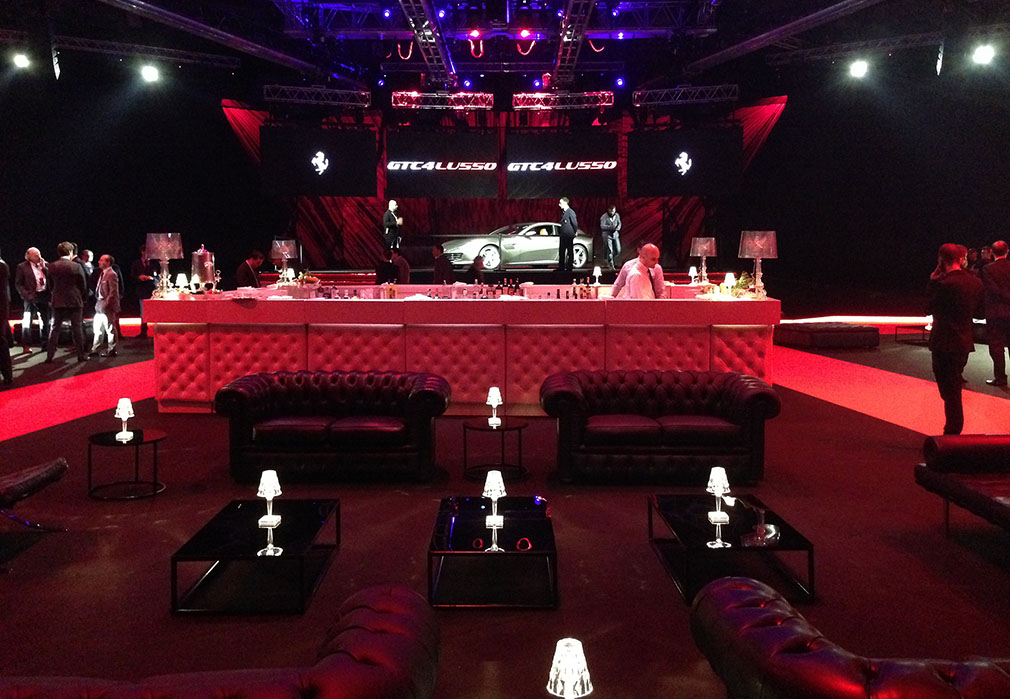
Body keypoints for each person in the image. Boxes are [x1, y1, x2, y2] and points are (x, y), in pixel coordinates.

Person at [928, 243, 983, 435]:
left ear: (941, 260)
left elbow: (928, 308)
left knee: (949, 391)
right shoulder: (975, 282)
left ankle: (952, 432)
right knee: (953, 387)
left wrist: (932, 282)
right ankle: (952, 430)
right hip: (963, 341)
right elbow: (979, 311)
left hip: (943, 341)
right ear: (962, 259)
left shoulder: (943, 284)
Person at [45, 241, 88, 363]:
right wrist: (78, 295)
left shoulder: (51, 266)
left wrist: (56, 293)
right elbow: (83, 285)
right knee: (77, 328)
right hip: (74, 300)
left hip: (58, 300)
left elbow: (50, 286)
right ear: (70, 252)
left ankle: (49, 356)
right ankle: (81, 355)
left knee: (54, 329)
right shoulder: (76, 266)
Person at [981, 240, 1010, 386]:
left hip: (995, 312)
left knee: (996, 346)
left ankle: (1000, 377)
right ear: (1007, 251)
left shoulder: (987, 269)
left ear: (992, 252)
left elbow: (993, 289)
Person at [14, 246, 50, 354]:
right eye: (36, 255)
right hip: (30, 297)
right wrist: (26, 295)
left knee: (45, 321)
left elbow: (52, 278)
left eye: (39, 254)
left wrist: (44, 268)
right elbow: (18, 284)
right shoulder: (22, 267)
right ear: (28, 256)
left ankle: (46, 344)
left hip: (43, 295)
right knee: (27, 322)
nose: (39, 257)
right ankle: (26, 345)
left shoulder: (45, 265)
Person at [90, 254, 120, 358]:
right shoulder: (103, 273)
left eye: (101, 260)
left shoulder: (111, 274)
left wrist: (106, 304)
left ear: (108, 262)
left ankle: (112, 350)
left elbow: (113, 292)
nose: (99, 262)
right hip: (100, 303)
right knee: (97, 328)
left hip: (107, 305)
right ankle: (95, 349)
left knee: (109, 328)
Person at [131, 245, 158, 338]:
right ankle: (143, 331)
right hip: (142, 291)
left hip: (153, 291)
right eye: (144, 251)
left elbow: (160, 276)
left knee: (155, 312)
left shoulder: (155, 263)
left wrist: (151, 278)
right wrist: (139, 278)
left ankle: (157, 331)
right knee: (143, 312)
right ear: (141, 252)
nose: (146, 254)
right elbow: (132, 277)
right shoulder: (136, 264)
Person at [0, 247, 13, 386]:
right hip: (2, 309)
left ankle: (8, 375)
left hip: (0, 309)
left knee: (1, 341)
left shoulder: (2, 266)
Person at [558, 197, 578, 272]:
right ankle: (561, 266)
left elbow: (574, 223)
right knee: (562, 251)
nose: (559, 205)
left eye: (560, 203)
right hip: (563, 235)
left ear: (565, 203)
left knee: (569, 251)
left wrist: (575, 231)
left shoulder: (570, 212)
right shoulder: (563, 212)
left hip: (568, 235)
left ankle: (570, 266)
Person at [600, 204, 622, 271]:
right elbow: (602, 226)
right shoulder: (604, 217)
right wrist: (611, 227)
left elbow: (619, 223)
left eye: (613, 211)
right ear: (608, 210)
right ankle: (611, 266)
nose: (612, 212)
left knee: (618, 250)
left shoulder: (617, 215)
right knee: (610, 250)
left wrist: (618, 228)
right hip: (607, 235)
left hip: (615, 235)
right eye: (611, 211)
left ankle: (609, 259)